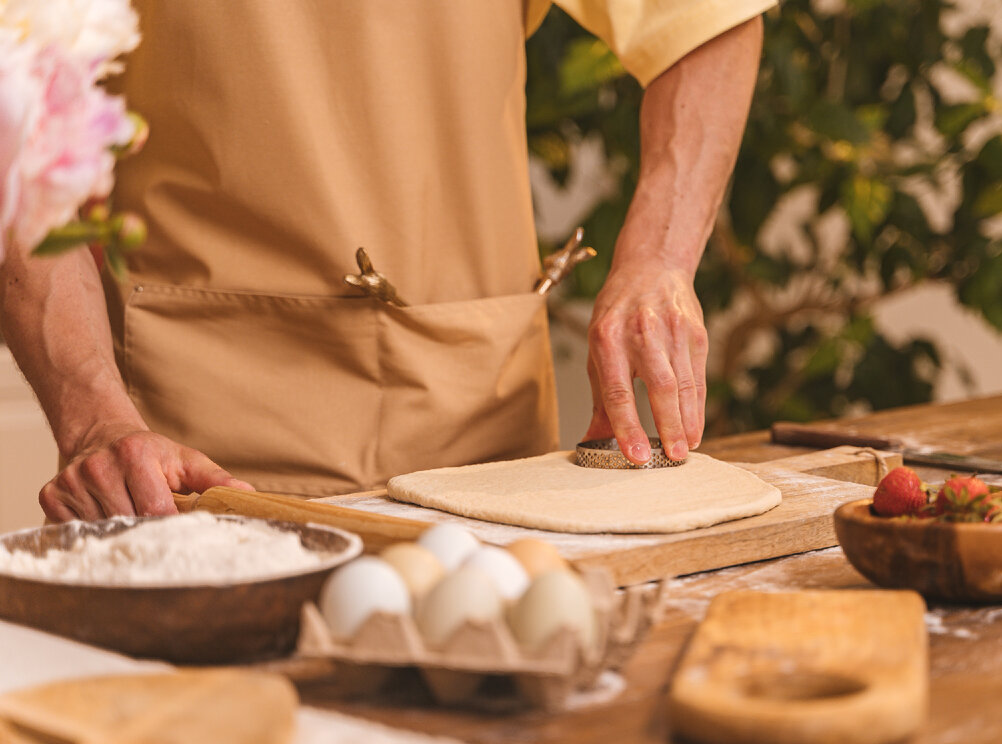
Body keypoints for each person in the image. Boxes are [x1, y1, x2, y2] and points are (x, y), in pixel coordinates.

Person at [0, 0, 770, 522]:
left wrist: (658, 259)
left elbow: (705, 22)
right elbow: (17, 103)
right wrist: (96, 417)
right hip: (193, 468)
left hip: (491, 446)